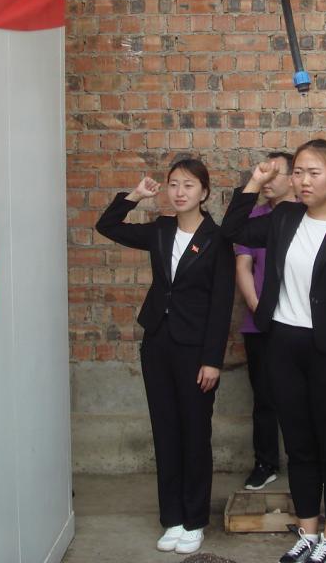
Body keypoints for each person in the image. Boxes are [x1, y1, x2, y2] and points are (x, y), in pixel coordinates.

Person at [222, 139, 326, 563]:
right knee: (299, 447)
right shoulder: (284, 217)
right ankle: (308, 533)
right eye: (298, 173)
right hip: (283, 346)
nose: (304, 181)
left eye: (314, 173)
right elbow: (232, 231)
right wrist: (254, 181)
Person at [95, 158, 234, 555]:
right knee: (166, 431)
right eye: (173, 184)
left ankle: (194, 520)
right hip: (158, 342)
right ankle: (171, 517)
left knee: (195, 434)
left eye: (188, 185)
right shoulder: (160, 230)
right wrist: (135, 196)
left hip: (196, 350)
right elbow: (108, 226)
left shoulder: (217, 239)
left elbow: (222, 304)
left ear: (204, 192)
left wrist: (212, 360)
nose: (179, 192)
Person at [235, 151, 295, 490]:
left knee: (302, 396)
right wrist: (258, 308)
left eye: (275, 174)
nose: (268, 181)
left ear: (293, 179)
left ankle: (306, 462)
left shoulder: (308, 214)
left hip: (300, 323)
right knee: (264, 397)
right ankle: (265, 462)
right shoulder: (254, 218)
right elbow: (243, 267)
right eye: (264, 174)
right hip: (260, 322)